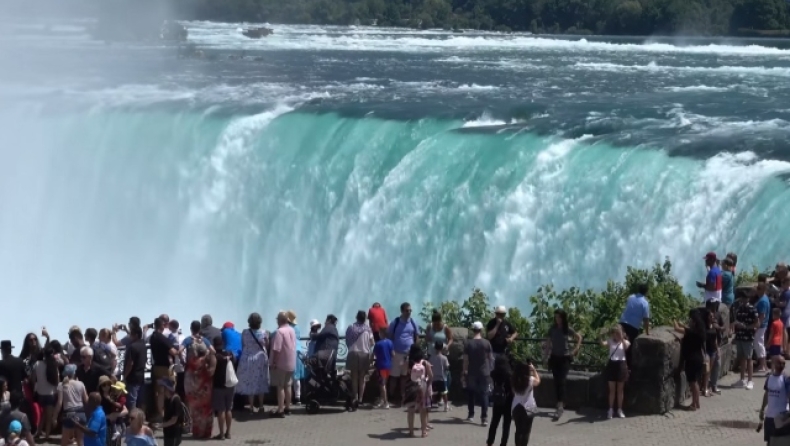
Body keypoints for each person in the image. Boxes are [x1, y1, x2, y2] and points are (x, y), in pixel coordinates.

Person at [545, 309, 582, 420]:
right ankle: (560, 402)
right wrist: (546, 356)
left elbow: (579, 337)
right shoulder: (552, 329)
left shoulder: (567, 329)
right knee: (557, 382)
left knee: (562, 381)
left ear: (563, 318)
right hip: (554, 357)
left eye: (559, 317)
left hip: (565, 358)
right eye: (556, 317)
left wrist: (576, 349)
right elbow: (548, 342)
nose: (557, 320)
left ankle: (560, 405)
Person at [235, 313, 269, 413]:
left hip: (248, 359)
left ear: (249, 322)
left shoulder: (245, 332)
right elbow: (266, 345)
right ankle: (261, 406)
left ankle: (250, 406)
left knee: (250, 382)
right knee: (260, 381)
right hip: (260, 359)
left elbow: (243, 344)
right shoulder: (264, 333)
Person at [674, 309, 707, 411]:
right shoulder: (699, 332)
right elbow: (687, 329)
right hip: (699, 358)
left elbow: (676, 329)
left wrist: (674, 319)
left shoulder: (691, 332)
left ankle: (693, 404)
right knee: (696, 381)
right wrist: (682, 324)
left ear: (693, 322)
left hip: (692, 360)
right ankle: (697, 403)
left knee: (693, 383)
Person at [388, 303, 419, 406]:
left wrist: (415, 350)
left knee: (404, 377)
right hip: (396, 353)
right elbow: (389, 336)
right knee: (393, 376)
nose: (409, 312)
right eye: (407, 310)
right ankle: (391, 396)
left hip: (408, 354)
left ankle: (403, 396)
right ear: (402, 311)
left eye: (410, 310)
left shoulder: (413, 322)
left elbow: (416, 336)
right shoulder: (395, 322)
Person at [463, 321, 493, 426]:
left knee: (471, 393)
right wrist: (490, 370)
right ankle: (484, 418)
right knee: (484, 394)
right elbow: (490, 359)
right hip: (484, 372)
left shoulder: (468, 343)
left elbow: (466, 360)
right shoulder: (486, 343)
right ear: (481, 330)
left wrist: (464, 371)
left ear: (473, 330)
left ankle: (471, 415)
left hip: (472, 372)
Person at [184, 338, 213, 439]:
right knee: (207, 411)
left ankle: (197, 432)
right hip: (206, 390)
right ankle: (207, 432)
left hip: (195, 392)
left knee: (196, 413)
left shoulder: (192, 362)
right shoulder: (207, 361)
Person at [149, 318, 176, 423]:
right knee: (169, 391)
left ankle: (161, 414)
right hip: (165, 368)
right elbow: (173, 351)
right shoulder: (161, 337)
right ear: (162, 326)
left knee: (159, 393)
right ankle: (170, 414)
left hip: (156, 367)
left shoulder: (152, 337)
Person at [269, 312, 296, 418]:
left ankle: (280, 410)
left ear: (279, 320)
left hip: (281, 363)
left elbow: (276, 349)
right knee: (288, 385)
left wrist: (274, 362)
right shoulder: (292, 330)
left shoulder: (279, 332)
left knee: (280, 386)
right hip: (291, 362)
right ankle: (288, 408)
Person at [345, 311, 374, 409]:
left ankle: (355, 398)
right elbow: (372, 342)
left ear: (356, 317)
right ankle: (361, 399)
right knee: (362, 378)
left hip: (353, 353)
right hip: (364, 354)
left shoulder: (351, 327)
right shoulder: (368, 329)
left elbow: (347, 340)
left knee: (354, 377)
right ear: (365, 318)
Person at [618, 282, 650, 370]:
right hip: (633, 327)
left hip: (622, 323)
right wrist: (647, 332)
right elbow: (646, 320)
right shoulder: (645, 303)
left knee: (619, 345)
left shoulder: (631, 297)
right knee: (629, 349)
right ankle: (627, 370)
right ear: (647, 292)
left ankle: (615, 367)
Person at [759, 356, 790, 445]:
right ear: (773, 364)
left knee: (782, 442)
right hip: (769, 418)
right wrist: (762, 409)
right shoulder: (769, 378)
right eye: (779, 362)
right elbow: (766, 395)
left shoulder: (786, 379)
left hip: (781, 418)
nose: (781, 365)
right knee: (769, 442)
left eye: (783, 363)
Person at [56, 364, 88, 446]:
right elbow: (86, 400)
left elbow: (59, 403)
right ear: (74, 373)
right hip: (81, 412)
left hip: (68, 413)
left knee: (64, 442)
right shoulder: (81, 383)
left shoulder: (61, 385)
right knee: (80, 441)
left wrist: (54, 416)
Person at [601, 325, 629, 418]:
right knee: (612, 390)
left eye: (617, 333)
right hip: (612, 364)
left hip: (621, 365)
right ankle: (610, 409)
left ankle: (620, 409)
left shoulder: (625, 342)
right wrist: (600, 336)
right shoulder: (610, 341)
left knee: (620, 390)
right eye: (614, 332)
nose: (615, 335)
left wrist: (621, 338)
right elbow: (602, 344)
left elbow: (626, 347)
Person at [733, 289, 759, 389]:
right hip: (740, 336)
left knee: (749, 359)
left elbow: (757, 323)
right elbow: (736, 321)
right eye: (742, 298)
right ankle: (742, 379)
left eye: (745, 298)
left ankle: (750, 380)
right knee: (742, 358)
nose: (743, 300)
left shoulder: (752, 309)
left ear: (748, 298)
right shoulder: (739, 309)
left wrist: (746, 327)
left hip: (748, 337)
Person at [404, 344, 432, 438]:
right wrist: (428, 383)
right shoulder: (425, 363)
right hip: (422, 386)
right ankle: (423, 432)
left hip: (410, 387)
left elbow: (404, 373)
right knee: (423, 410)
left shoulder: (408, 362)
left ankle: (411, 432)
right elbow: (431, 376)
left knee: (410, 411)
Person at [33, 346, 59, 440]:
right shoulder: (53, 364)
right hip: (50, 394)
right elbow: (57, 380)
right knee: (48, 417)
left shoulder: (37, 364)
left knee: (43, 414)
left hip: (40, 393)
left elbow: (34, 378)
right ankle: (47, 435)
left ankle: (39, 431)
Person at [210, 338, 234, 440]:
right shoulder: (229, 354)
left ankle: (221, 434)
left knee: (221, 410)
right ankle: (228, 433)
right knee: (228, 409)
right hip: (230, 384)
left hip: (219, 385)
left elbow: (211, 371)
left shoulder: (215, 356)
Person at [511, 361, 540, 446]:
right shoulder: (530, 379)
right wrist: (534, 370)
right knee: (526, 431)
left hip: (516, 406)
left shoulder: (513, 379)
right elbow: (538, 381)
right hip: (530, 406)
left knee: (518, 430)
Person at [486, 355, 512, 446]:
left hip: (497, 400)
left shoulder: (493, 373)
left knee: (494, 423)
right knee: (506, 425)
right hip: (508, 401)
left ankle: (490, 442)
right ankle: (503, 443)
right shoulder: (509, 375)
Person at [121, 326, 146, 411]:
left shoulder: (132, 347)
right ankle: (140, 419)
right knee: (140, 401)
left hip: (133, 377)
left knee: (132, 402)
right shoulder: (144, 345)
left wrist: (124, 376)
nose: (129, 336)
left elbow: (130, 364)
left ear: (135, 335)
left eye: (131, 334)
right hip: (142, 376)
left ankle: (132, 420)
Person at [284, 311, 305, 405]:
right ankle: (298, 397)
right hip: (299, 351)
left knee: (288, 376)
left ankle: (288, 398)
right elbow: (299, 338)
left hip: (290, 352)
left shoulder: (286, 328)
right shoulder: (297, 327)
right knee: (297, 377)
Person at [158, 378, 184, 446]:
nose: (160, 388)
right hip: (167, 432)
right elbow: (162, 411)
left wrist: (160, 425)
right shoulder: (167, 399)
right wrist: (160, 394)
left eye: (162, 386)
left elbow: (174, 420)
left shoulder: (176, 400)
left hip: (174, 433)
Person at [373, 328, 393, 409]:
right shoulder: (390, 342)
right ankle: (382, 400)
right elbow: (393, 354)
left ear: (381, 334)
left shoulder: (378, 344)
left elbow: (373, 355)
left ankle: (386, 402)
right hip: (388, 366)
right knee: (385, 383)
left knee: (382, 384)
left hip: (381, 366)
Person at [755, 282, 772, 374]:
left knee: (759, 344)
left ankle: (762, 365)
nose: (757, 290)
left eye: (759, 288)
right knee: (759, 344)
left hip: (761, 326)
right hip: (762, 325)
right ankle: (763, 365)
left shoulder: (763, 301)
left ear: (763, 290)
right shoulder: (763, 299)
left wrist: (757, 326)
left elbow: (762, 315)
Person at [429, 341, 450, 411]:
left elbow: (430, 367)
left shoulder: (431, 358)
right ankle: (446, 405)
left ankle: (431, 404)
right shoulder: (444, 358)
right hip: (442, 378)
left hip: (434, 378)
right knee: (444, 392)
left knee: (434, 392)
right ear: (442, 348)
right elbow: (447, 367)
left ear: (435, 348)